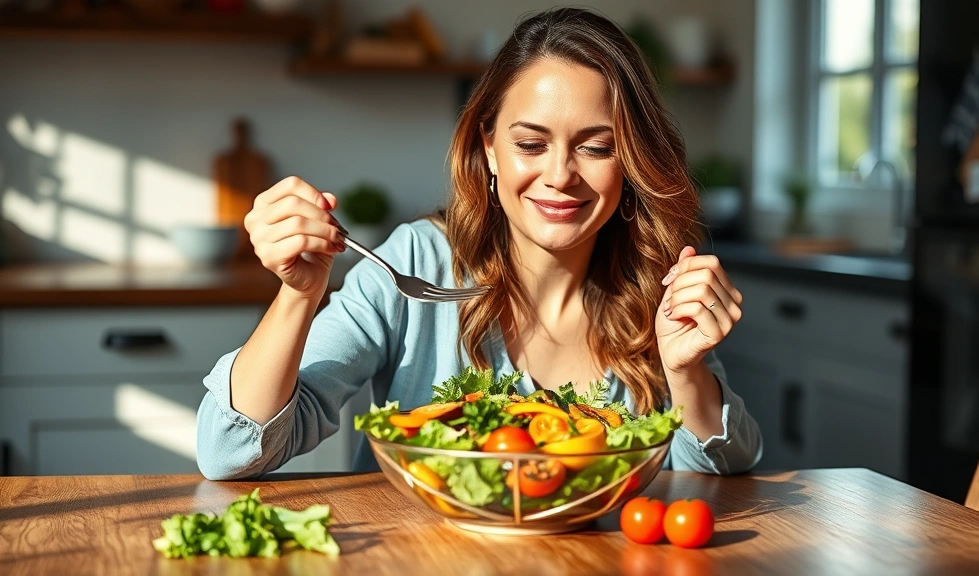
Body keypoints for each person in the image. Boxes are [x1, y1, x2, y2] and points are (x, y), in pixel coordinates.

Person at [196, 7, 762, 480]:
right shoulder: (415, 262)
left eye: (596, 147)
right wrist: (298, 296)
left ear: (632, 161)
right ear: (489, 147)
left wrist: (686, 373)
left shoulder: (654, 286)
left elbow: (715, 476)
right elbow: (230, 452)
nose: (560, 174)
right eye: (531, 144)